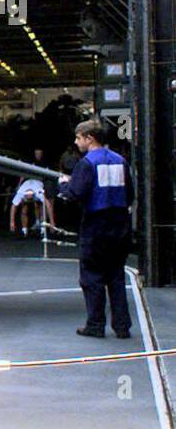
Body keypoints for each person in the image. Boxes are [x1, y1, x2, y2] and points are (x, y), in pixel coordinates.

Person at [57, 119, 134, 338]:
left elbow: (75, 194)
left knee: (92, 277)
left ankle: (95, 324)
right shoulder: (121, 161)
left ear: (89, 138)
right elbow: (130, 195)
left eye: (78, 137)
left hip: (96, 225)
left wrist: (64, 184)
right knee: (116, 276)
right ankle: (122, 326)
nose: (76, 141)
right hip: (120, 224)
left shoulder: (87, 163)